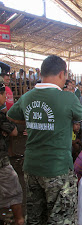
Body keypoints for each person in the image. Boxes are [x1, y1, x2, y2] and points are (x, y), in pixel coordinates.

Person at [7, 55, 82, 224]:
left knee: (35, 217)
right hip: (57, 169)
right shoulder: (68, 97)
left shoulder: (27, 97)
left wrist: (33, 121)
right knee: (61, 219)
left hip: (31, 167)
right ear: (61, 74)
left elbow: (11, 116)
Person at [0, 81, 24, 225]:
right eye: (4, 95)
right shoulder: (1, 116)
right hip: (1, 161)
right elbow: (14, 131)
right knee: (14, 189)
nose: (5, 98)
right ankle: (18, 219)